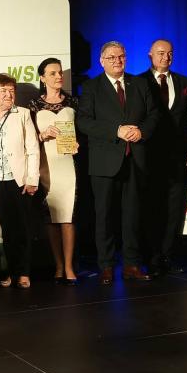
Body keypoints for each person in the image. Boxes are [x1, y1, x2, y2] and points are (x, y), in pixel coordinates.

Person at [77, 41, 159, 284]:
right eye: (111, 57)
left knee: (133, 215)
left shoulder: (140, 83)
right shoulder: (91, 87)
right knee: (104, 216)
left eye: (121, 56)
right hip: (104, 161)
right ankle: (106, 266)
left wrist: (141, 132)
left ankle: (132, 264)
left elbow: (154, 115)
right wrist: (116, 130)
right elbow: (84, 121)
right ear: (101, 61)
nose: (117, 61)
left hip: (135, 159)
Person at [138, 39, 187, 276]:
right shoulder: (138, 82)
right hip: (149, 156)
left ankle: (168, 256)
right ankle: (151, 257)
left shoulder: (186, 83)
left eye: (170, 53)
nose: (166, 57)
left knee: (175, 208)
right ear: (150, 55)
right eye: (161, 53)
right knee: (152, 207)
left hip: (178, 157)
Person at [0, 74, 39, 289]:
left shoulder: (23, 114)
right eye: (3, 91)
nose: (8, 95)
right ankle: (12, 272)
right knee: (7, 229)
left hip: (19, 180)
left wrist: (32, 179)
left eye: (12, 91)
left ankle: (24, 273)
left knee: (22, 228)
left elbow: (33, 148)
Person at [28, 57, 78, 285]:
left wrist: (79, 143)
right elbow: (28, 138)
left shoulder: (74, 102)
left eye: (60, 72)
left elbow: (83, 131)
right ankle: (58, 266)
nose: (58, 76)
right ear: (42, 78)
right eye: (53, 73)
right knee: (51, 218)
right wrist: (42, 135)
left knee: (68, 217)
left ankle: (69, 267)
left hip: (69, 166)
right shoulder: (34, 105)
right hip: (46, 167)